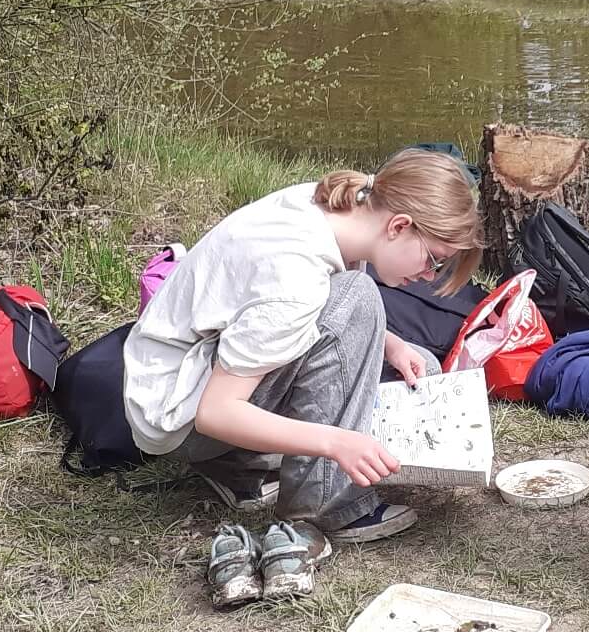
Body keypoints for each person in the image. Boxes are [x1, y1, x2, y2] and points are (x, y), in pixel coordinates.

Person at [120, 147, 484, 543]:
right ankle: (327, 503)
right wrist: (336, 442)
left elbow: (311, 318)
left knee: (421, 366)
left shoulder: (345, 211)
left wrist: (390, 343)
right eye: (433, 259)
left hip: (204, 375)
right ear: (399, 226)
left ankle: (242, 464)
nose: (428, 274)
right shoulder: (294, 277)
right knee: (358, 297)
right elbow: (217, 413)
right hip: (186, 419)